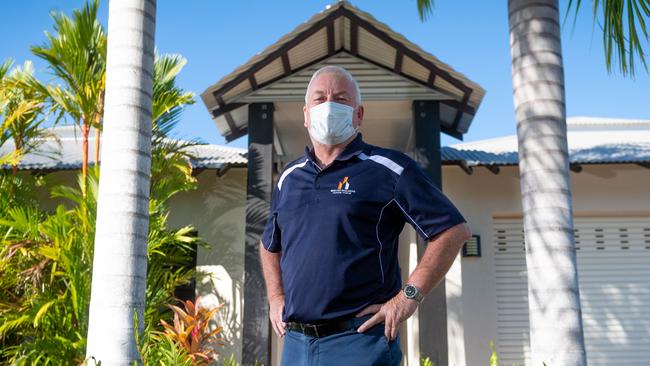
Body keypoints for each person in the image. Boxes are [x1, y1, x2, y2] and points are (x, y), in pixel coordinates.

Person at [259, 65, 471, 366]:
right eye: (320, 99)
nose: (329, 105)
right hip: (295, 343)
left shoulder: (389, 169)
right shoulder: (289, 178)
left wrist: (407, 299)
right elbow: (269, 244)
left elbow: (453, 230)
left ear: (359, 115)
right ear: (306, 115)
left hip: (359, 341)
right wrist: (275, 297)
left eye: (341, 98)